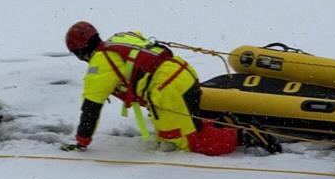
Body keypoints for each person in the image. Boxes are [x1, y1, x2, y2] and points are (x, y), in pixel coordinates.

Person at [61, 21, 280, 155]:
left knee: (189, 142)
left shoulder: (100, 65)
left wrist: (81, 142)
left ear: (79, 52)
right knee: (189, 124)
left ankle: (246, 136)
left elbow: (91, 107)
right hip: (183, 71)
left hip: (166, 90)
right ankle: (226, 124)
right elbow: (139, 38)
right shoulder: (120, 38)